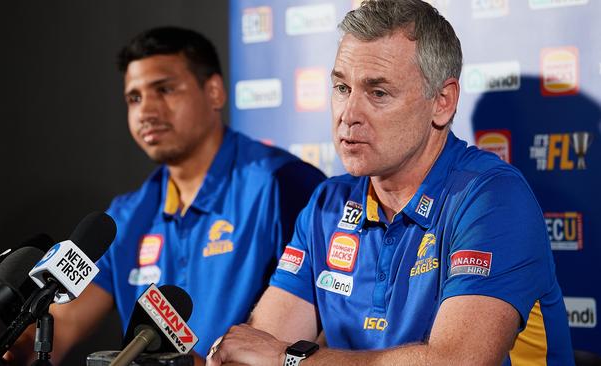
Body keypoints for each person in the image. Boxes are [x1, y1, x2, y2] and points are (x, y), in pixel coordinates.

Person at [207, 1, 574, 365]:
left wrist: (291, 360)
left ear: (442, 102)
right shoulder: (327, 204)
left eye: (377, 93)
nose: (348, 115)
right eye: (341, 88)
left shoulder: (492, 198)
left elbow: (457, 362)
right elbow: (254, 352)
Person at [0, 26, 325, 364]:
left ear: (215, 92)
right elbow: (65, 322)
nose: (146, 111)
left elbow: (321, 326)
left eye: (164, 89)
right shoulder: (128, 213)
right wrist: (2, 354)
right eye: (135, 97)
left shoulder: (283, 183)